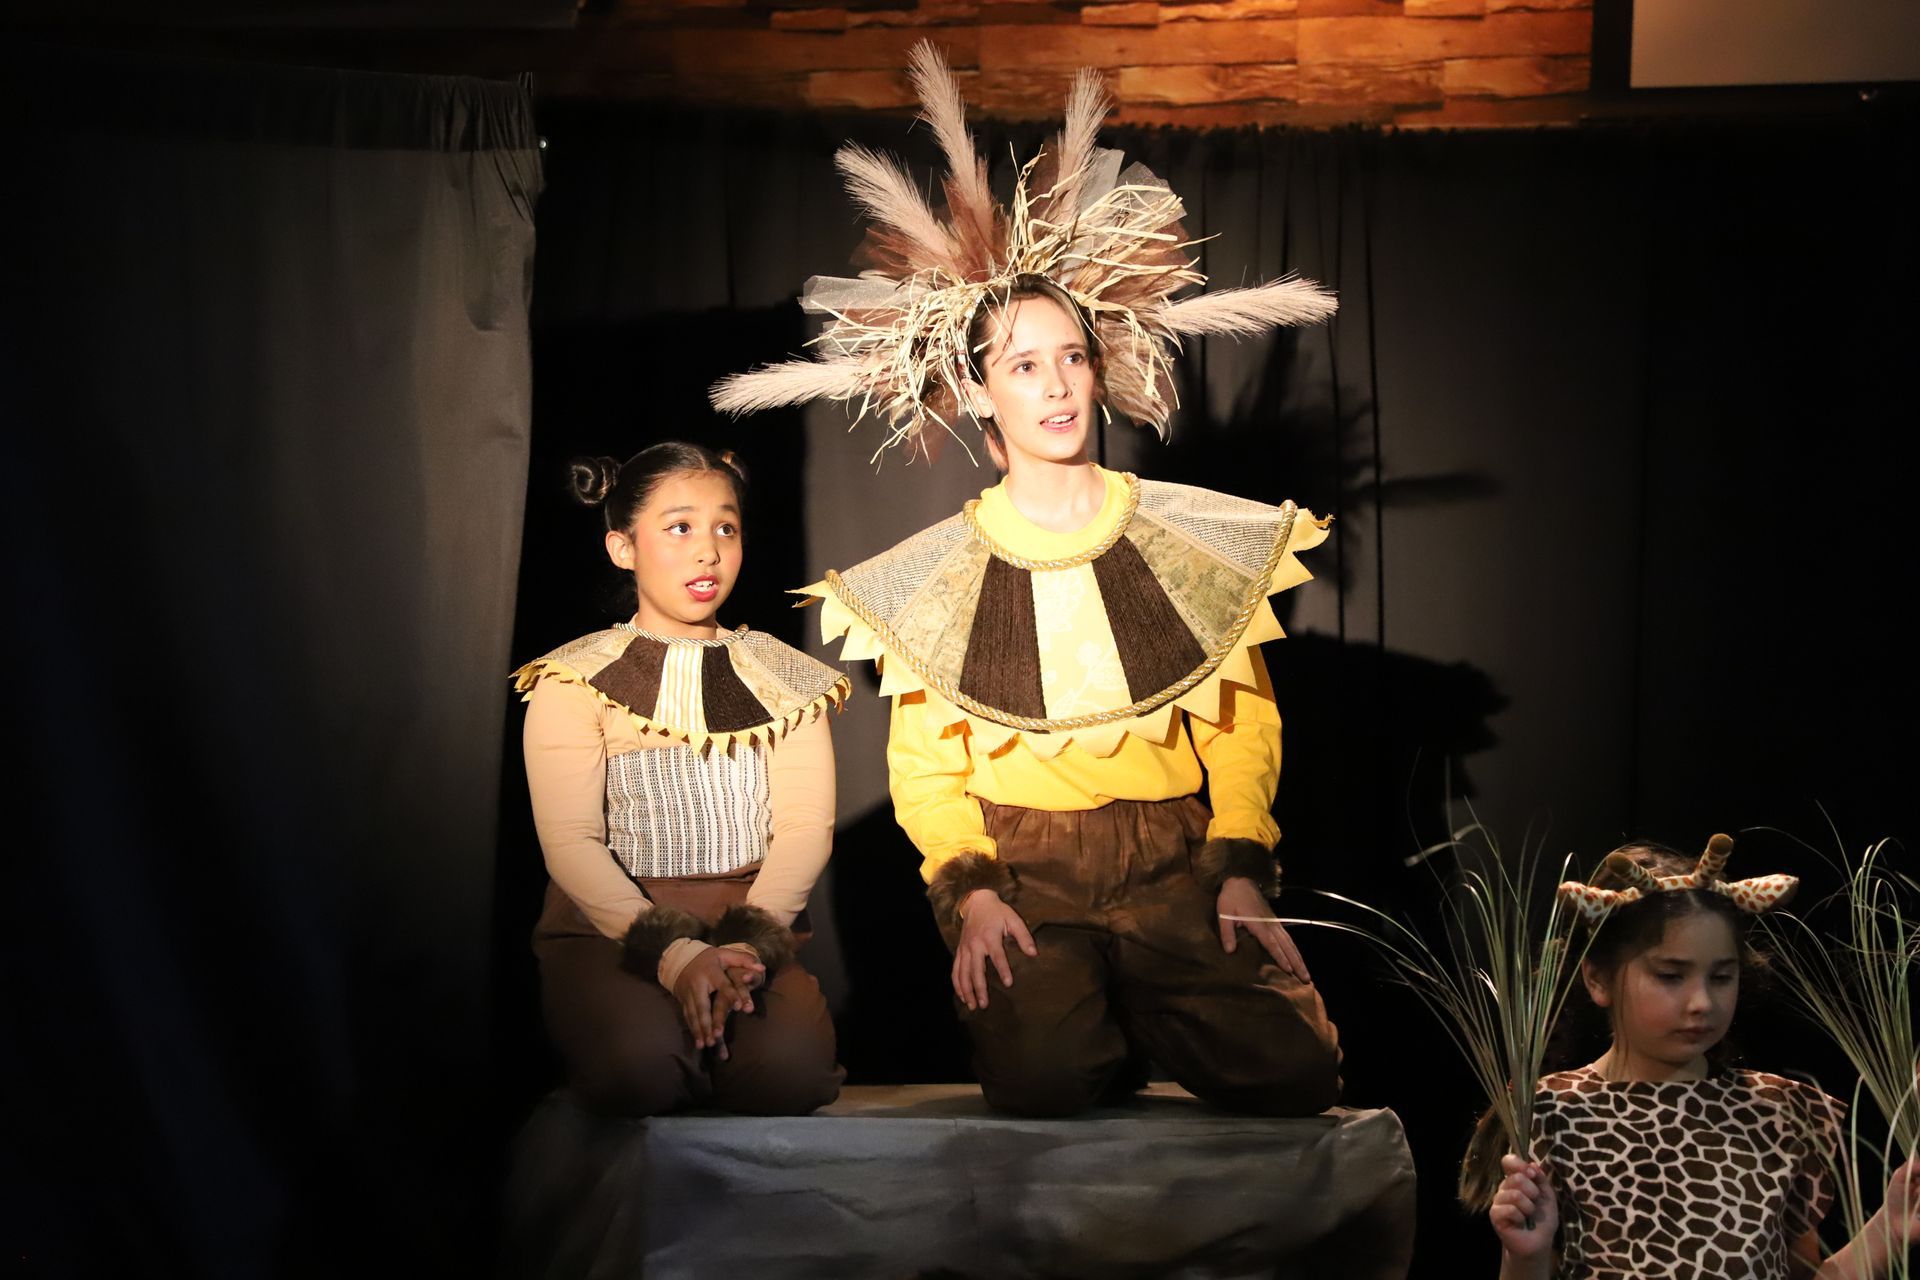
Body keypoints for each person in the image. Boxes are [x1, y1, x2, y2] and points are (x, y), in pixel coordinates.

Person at [711, 44, 1342, 1118]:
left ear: (1098, 369)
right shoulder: (937, 578)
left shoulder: (1189, 540)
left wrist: (1238, 862)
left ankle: (1153, 993)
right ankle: (1087, 1010)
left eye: (1070, 357)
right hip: (1028, 865)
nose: (1054, 384)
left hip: (1171, 855)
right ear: (979, 394)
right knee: (1046, 1082)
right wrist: (973, 885)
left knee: (1296, 1073)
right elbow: (926, 768)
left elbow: (1241, 728)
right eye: (1020, 364)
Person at [513, 441, 848, 1116]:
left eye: (726, 527)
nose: (708, 551)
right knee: (643, 1072)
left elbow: (806, 828)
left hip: (747, 924)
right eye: (680, 528)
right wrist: (675, 955)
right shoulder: (575, 679)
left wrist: (747, 946)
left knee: (787, 1077)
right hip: (617, 930)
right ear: (622, 547)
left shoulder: (785, 677)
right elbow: (572, 841)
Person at [1476, 835, 1919, 1280]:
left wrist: (1888, 1230)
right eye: (1671, 975)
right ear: (1598, 980)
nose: (1702, 1002)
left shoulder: (1777, 1113)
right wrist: (1525, 1257)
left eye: (1722, 977)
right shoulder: (1553, 1113)